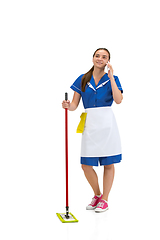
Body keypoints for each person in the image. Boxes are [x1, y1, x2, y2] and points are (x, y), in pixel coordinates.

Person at [62, 48, 123, 213]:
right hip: (90, 124)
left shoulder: (113, 79)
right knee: (86, 165)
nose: (100, 59)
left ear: (108, 61)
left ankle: (105, 199)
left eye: (104, 57)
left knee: (108, 163)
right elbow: (74, 105)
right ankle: (97, 194)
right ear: (93, 58)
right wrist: (68, 106)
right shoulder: (83, 79)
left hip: (107, 124)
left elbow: (118, 100)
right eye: (98, 56)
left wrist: (111, 77)